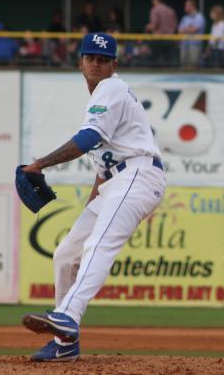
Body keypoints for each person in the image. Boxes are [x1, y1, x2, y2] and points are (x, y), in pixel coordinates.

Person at [20, 32, 166, 362]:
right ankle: (64, 344)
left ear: (114, 65)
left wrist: (40, 163)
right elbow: (102, 168)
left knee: (97, 246)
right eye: (91, 58)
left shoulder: (110, 88)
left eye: (103, 59)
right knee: (66, 253)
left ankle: (67, 316)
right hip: (117, 182)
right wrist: (91, 208)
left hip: (138, 176)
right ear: (80, 63)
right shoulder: (101, 98)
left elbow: (88, 139)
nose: (96, 64)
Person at [145, 0, 178, 66]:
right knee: (168, 65)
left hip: (158, 39)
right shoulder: (171, 10)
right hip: (170, 39)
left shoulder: (155, 9)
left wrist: (147, 27)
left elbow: (154, 25)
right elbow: (175, 26)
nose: (152, 1)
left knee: (154, 64)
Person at [177, 0, 205, 68]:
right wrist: (188, 28)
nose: (185, 7)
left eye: (186, 5)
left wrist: (186, 29)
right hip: (183, 45)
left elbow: (194, 30)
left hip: (194, 45)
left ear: (192, 6)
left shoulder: (199, 17)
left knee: (192, 66)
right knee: (183, 66)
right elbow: (180, 31)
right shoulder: (185, 18)